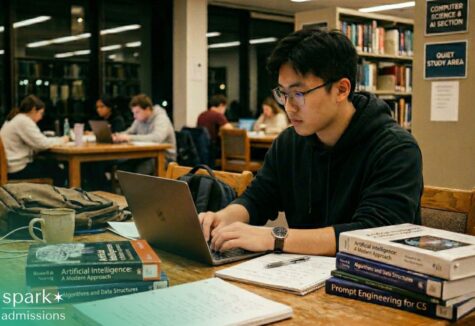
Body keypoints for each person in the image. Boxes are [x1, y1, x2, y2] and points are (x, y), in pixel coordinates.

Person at [199, 29, 423, 256]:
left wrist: (274, 237)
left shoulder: (396, 149)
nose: (288, 107)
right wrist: (223, 218)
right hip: (300, 277)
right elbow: (257, 198)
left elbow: (372, 235)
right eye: (283, 94)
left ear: (341, 89)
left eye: (298, 94)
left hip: (369, 283)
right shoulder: (289, 142)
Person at [0, 95, 69, 185]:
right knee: (58, 170)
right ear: (33, 110)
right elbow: (42, 143)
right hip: (17, 169)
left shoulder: (15, 118)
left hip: (10, 167)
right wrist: (63, 139)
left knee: (50, 164)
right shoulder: (23, 121)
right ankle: (59, 197)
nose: (41, 117)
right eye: (41, 113)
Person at [114, 93, 176, 175]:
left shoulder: (161, 118)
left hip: (164, 157)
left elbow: (157, 138)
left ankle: (137, 187)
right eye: (133, 113)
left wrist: (129, 138)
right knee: (124, 166)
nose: (134, 116)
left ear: (147, 109)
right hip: (146, 154)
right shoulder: (140, 119)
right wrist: (117, 136)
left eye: (137, 112)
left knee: (140, 169)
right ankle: (129, 187)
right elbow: (129, 132)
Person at [197, 94, 233, 163]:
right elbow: (231, 130)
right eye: (225, 107)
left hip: (202, 150)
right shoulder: (218, 115)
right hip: (213, 150)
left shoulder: (201, 115)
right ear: (221, 105)